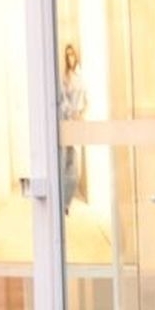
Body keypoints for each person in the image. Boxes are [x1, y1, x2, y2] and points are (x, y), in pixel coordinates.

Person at [60, 43, 87, 209]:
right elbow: (63, 101)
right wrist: (71, 113)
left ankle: (66, 201)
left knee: (75, 167)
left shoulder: (81, 76)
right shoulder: (65, 77)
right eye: (67, 55)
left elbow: (87, 99)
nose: (70, 58)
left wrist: (81, 113)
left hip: (77, 123)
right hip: (67, 121)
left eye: (72, 54)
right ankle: (63, 203)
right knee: (64, 162)